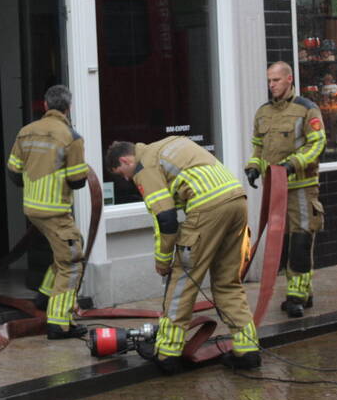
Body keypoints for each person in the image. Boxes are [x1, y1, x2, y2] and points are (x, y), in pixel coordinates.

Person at [106, 137, 260, 374]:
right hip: (236, 200)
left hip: (206, 208)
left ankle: (167, 354)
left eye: (121, 172)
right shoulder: (170, 144)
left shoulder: (144, 167)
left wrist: (163, 260)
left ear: (126, 159)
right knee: (227, 283)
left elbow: (166, 219)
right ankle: (247, 351)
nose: (126, 179)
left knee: (182, 283)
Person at [7, 85, 90, 339]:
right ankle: (59, 323)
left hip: (31, 208)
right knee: (73, 259)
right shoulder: (71, 136)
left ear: (44, 105)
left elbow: (13, 170)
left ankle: (44, 295)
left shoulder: (26, 132)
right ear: (68, 107)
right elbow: (77, 181)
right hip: (56, 211)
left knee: (63, 250)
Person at [245, 61, 326, 318]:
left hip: (302, 187)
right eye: (269, 81)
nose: (271, 86)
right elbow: (258, 148)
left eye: (276, 80)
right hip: (274, 189)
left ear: (289, 79)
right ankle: (303, 291)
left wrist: (293, 164)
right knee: (282, 244)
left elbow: (317, 144)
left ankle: (296, 296)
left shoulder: (306, 109)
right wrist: (253, 167)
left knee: (301, 240)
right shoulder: (263, 113)